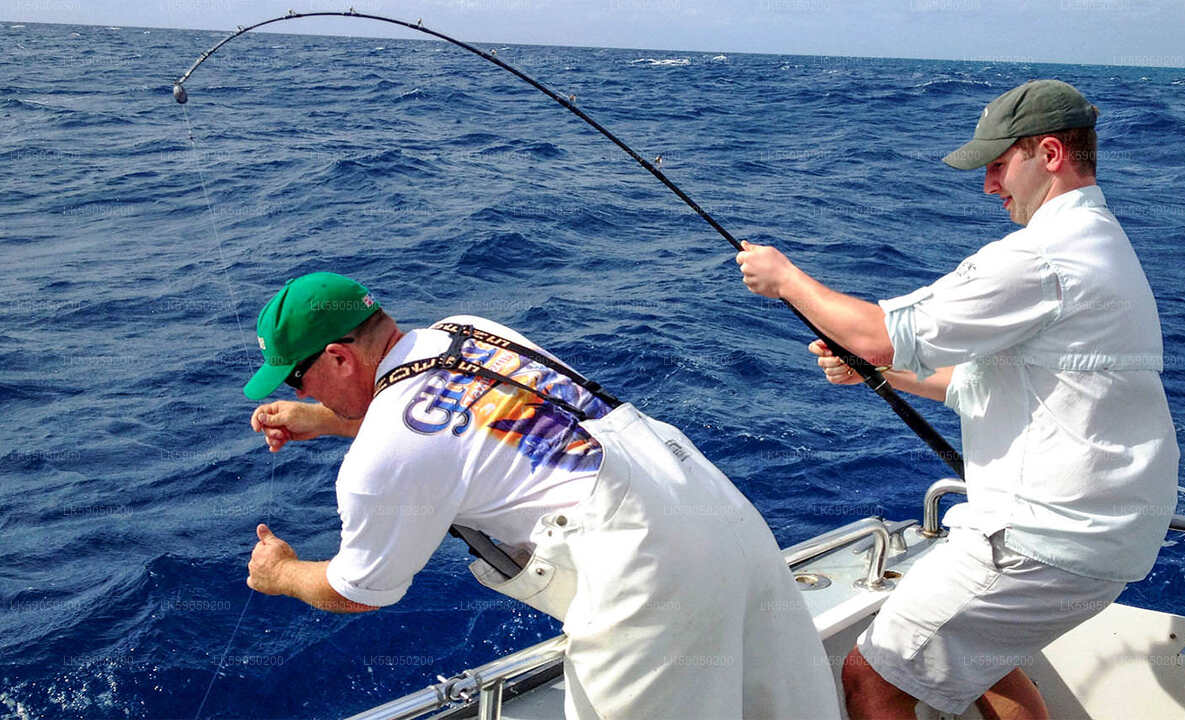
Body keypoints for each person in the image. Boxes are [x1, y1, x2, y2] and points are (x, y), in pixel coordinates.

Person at [736, 79, 1179, 719]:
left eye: (999, 165)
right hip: (1101, 535)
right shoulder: (1102, 241)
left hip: (1038, 537)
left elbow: (878, 335)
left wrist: (785, 280)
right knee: (980, 665)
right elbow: (978, 381)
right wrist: (878, 373)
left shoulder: (1043, 256)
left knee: (873, 676)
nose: (989, 185)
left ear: (1049, 154)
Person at [240, 271, 841, 719]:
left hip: (648, 577)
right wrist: (323, 417)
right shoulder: (466, 331)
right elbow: (475, 427)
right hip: (717, 512)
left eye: (297, 375)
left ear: (339, 356)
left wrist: (282, 572)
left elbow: (358, 591)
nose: (298, 388)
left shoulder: (378, 461)